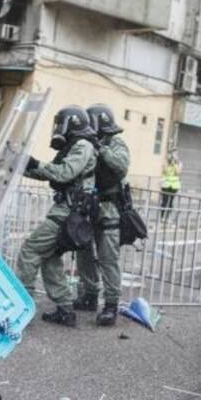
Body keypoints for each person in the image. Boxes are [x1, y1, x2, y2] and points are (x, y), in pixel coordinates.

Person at [17, 106, 97, 327]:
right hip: (68, 211)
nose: (57, 128)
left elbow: (65, 173)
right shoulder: (75, 145)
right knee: (50, 257)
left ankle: (22, 306)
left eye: (60, 123)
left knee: (30, 250)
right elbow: (52, 171)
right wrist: (23, 165)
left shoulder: (83, 145)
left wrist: (35, 164)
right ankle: (65, 309)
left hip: (68, 213)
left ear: (71, 123)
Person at [73, 104, 129, 326]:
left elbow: (121, 166)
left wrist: (101, 149)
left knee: (107, 258)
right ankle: (89, 295)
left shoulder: (115, 143)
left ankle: (111, 305)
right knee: (84, 253)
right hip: (89, 207)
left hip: (109, 209)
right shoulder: (87, 144)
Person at [159, 151, 181, 222]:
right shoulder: (165, 163)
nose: (172, 157)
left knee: (171, 202)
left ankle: (167, 217)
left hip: (174, 186)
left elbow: (178, 173)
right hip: (166, 185)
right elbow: (164, 170)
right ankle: (162, 216)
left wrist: (174, 164)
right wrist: (168, 162)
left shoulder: (178, 164)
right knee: (164, 201)